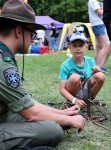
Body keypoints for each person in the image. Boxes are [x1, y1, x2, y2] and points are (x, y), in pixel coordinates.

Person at [0, 0, 86, 149]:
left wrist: (60, 113)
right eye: (32, 33)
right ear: (19, 31)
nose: (33, 39)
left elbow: (26, 103)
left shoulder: (4, 55)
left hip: (3, 115)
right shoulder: (3, 63)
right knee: (52, 130)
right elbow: (31, 113)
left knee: (52, 122)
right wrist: (69, 121)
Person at [59, 31, 105, 109]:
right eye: (74, 45)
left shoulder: (90, 61)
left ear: (86, 47)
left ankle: (89, 101)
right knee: (75, 77)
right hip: (73, 94)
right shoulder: (65, 65)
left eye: (81, 45)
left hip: (86, 90)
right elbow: (62, 89)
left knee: (100, 75)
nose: (78, 48)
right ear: (70, 47)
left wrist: (97, 71)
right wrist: (74, 100)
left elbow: (95, 78)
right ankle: (70, 103)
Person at [88, 0, 109, 72]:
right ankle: (100, 66)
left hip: (96, 25)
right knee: (105, 45)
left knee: (98, 46)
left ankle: (96, 65)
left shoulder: (93, 1)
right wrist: (109, 11)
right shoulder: (93, 1)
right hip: (98, 24)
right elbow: (100, 12)